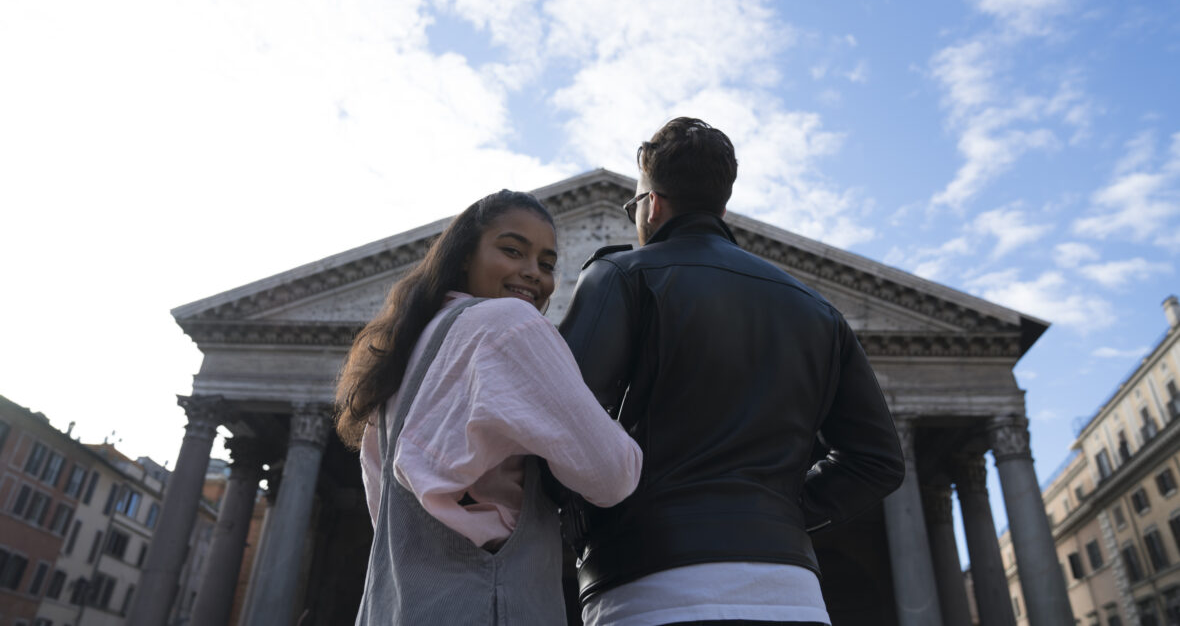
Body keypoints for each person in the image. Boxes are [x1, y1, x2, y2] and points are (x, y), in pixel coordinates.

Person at [559, 118, 905, 626]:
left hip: (652, 585)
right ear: (722, 206)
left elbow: (559, 419)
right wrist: (775, 513)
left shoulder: (622, 276)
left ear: (651, 205)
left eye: (633, 207)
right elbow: (878, 461)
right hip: (794, 595)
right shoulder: (819, 310)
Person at [335, 189, 642, 625]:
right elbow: (613, 474)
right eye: (513, 251)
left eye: (548, 264)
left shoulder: (406, 353)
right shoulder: (510, 324)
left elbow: (383, 506)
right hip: (487, 604)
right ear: (465, 255)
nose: (533, 273)